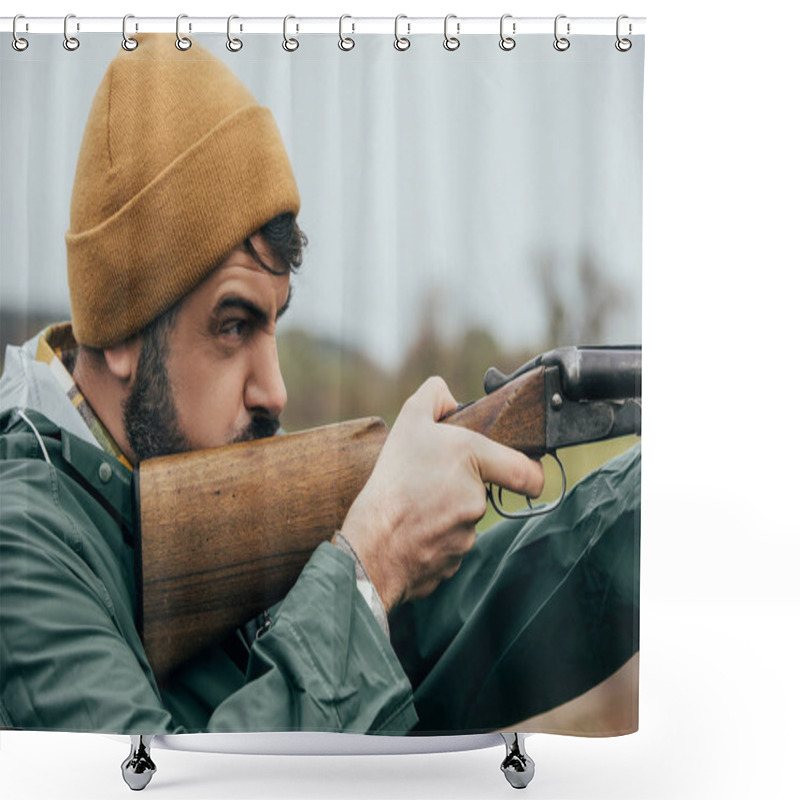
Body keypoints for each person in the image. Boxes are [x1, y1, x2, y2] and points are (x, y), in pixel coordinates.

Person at [0, 35, 640, 736]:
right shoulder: (20, 543)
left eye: (274, 323)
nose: (274, 390)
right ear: (121, 328)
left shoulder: (205, 504)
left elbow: (459, 633)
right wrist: (368, 564)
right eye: (233, 325)